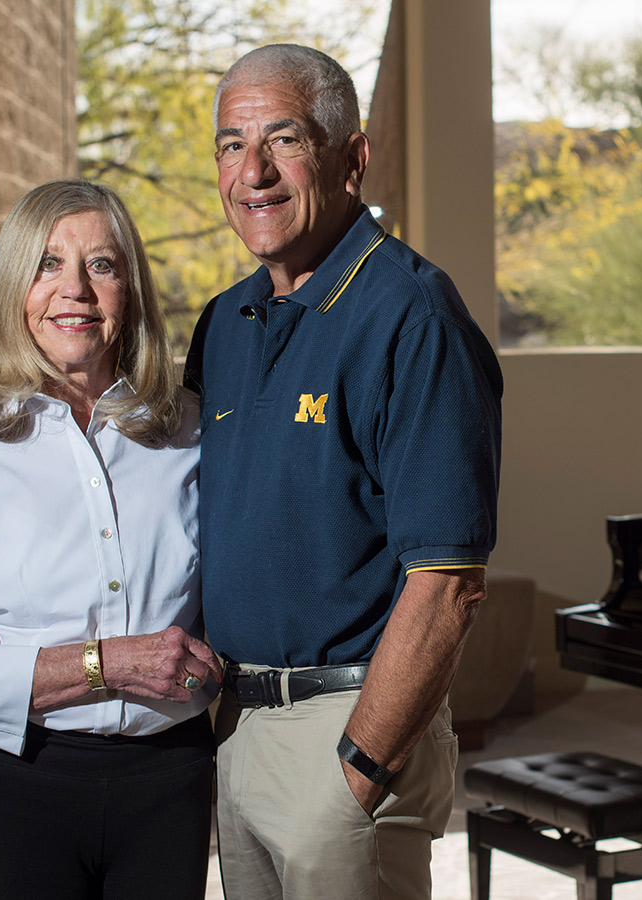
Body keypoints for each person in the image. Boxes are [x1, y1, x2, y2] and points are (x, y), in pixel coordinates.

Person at [185, 44, 502, 900]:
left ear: (351, 158)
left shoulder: (413, 316)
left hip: (349, 727)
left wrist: (358, 770)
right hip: (239, 724)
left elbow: (448, 585)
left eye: (283, 140)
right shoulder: (222, 324)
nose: (251, 172)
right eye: (229, 145)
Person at [0, 179, 222, 900]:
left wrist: (217, 667)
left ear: (130, 291)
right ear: (15, 287)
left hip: (171, 777)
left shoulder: (195, 431)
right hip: (23, 780)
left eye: (102, 265)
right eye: (47, 263)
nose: (74, 289)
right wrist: (105, 663)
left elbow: (237, 599)